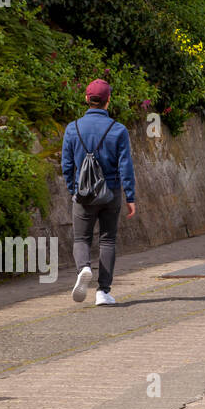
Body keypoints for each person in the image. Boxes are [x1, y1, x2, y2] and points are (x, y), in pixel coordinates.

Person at [61, 79, 136, 306]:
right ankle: (103, 292)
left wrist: (74, 189)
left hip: (83, 195)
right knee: (107, 240)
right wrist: (130, 196)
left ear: (87, 99)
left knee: (81, 238)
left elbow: (66, 165)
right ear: (108, 100)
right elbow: (126, 166)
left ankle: (84, 267)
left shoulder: (72, 128)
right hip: (110, 193)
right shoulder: (118, 130)